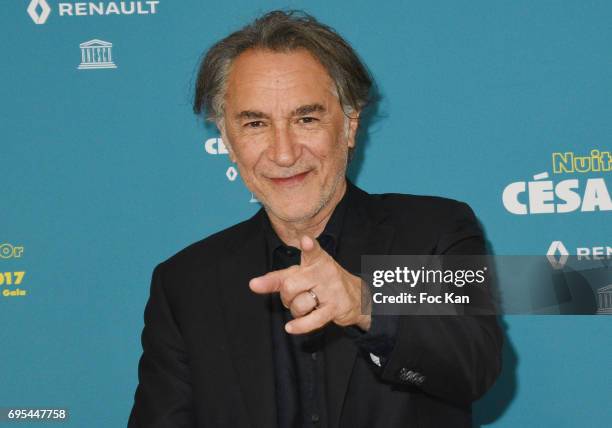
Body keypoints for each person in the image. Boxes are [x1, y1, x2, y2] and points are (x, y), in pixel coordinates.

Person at [128, 10, 503, 428]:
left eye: (306, 118)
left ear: (349, 125)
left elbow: (474, 368)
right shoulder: (186, 283)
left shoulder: (429, 234)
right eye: (255, 123)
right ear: (228, 143)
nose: (284, 153)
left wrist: (367, 304)